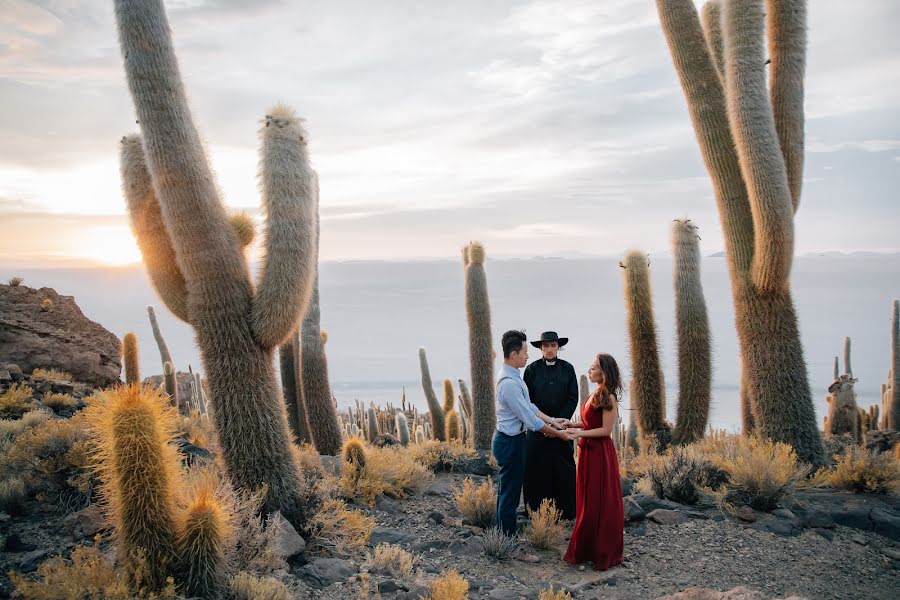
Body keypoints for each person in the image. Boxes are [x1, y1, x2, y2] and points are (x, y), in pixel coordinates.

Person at [493, 330, 572, 539]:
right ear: (513, 354)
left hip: (514, 439)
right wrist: (558, 433)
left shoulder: (514, 377)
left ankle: (502, 535)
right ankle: (507, 542)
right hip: (510, 442)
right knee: (509, 495)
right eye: (525, 351)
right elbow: (530, 420)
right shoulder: (509, 383)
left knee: (506, 492)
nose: (528, 355)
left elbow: (530, 406)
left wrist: (553, 421)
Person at [562, 352, 624, 571]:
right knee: (587, 499)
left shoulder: (608, 397)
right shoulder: (595, 394)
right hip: (588, 451)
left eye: (593, 367)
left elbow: (606, 431)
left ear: (603, 372)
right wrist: (573, 426)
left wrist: (579, 435)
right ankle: (587, 548)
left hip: (600, 454)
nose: (589, 370)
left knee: (599, 499)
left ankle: (602, 551)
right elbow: (590, 424)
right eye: (590, 367)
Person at [523, 331, 579, 521]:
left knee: (564, 469)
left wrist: (560, 422)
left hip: (562, 428)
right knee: (536, 470)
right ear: (541, 348)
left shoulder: (568, 369)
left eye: (553, 345)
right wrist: (546, 423)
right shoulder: (531, 370)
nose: (549, 349)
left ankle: (566, 512)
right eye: (546, 346)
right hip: (538, 429)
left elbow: (573, 398)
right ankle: (536, 513)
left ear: (558, 347)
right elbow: (527, 400)